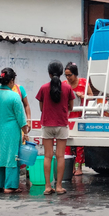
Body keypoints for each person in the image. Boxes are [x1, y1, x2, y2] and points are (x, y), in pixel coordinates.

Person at [0, 68, 29, 194]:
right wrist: (25, 133)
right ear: (11, 81)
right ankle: (10, 186)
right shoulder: (15, 97)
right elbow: (21, 119)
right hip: (12, 132)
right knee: (12, 156)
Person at [36, 61, 74, 195]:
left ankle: (47, 186)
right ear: (62, 72)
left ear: (49, 73)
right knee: (60, 156)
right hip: (62, 124)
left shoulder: (43, 88)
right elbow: (71, 107)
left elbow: (41, 108)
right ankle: (58, 186)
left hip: (47, 124)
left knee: (48, 156)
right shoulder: (68, 88)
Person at [63, 62, 93, 176]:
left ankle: (79, 166)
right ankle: (68, 167)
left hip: (80, 115)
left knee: (80, 143)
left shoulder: (84, 83)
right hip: (68, 116)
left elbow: (91, 95)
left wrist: (83, 96)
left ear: (75, 74)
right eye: (66, 75)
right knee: (67, 141)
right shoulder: (64, 84)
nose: (68, 77)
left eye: (70, 75)